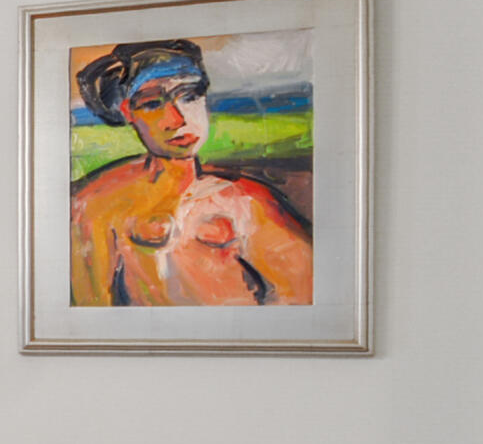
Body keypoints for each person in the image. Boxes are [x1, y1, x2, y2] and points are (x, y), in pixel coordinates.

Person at [69, 38, 312, 307]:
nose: (177, 119)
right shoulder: (97, 206)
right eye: (152, 104)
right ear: (128, 113)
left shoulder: (248, 203)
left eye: (189, 97)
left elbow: (303, 296)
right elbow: (89, 310)